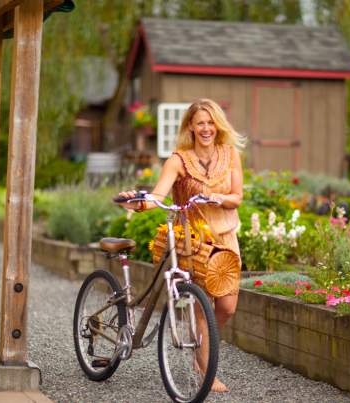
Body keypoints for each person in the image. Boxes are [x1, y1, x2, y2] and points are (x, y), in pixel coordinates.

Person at [118, 98, 246, 393]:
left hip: (225, 238)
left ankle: (202, 349)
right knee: (202, 308)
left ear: (218, 125)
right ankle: (205, 371)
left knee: (227, 307)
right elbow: (159, 196)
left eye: (211, 122)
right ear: (190, 125)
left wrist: (220, 199)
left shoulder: (229, 154)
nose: (206, 128)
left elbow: (237, 196)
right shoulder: (178, 159)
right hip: (193, 240)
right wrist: (138, 203)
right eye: (200, 122)